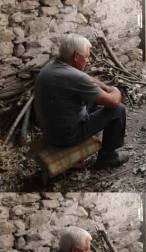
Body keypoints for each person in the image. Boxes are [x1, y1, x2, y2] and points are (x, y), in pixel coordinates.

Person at [34, 34, 129, 169]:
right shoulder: (73, 76)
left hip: (51, 131)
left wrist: (106, 87)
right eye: (87, 56)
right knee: (118, 109)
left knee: (94, 98)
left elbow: (85, 78)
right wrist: (115, 90)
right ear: (76, 57)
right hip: (66, 137)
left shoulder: (52, 67)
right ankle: (108, 157)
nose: (88, 60)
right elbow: (113, 102)